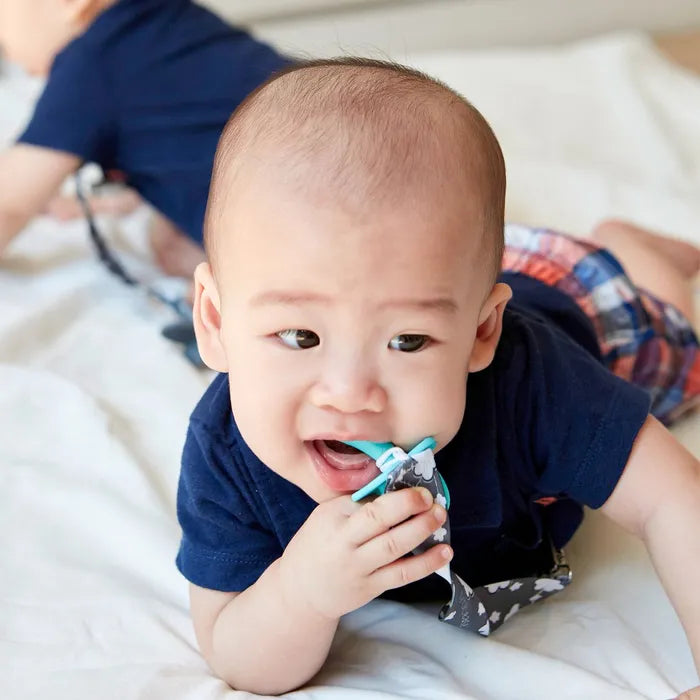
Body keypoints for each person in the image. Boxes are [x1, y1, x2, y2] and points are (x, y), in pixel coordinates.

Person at [174, 58, 700, 695]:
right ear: (214, 322)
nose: (349, 394)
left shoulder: (531, 380)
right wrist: (302, 593)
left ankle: (636, 251)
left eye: (407, 341)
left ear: (480, 334)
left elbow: (675, 496)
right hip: (457, 273)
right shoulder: (225, 452)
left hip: (576, 297)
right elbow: (234, 654)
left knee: (680, 346)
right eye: (299, 336)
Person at [0, 0, 291, 277]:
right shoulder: (176, 22)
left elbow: (9, 205)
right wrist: (111, 204)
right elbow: (187, 144)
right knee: (166, 234)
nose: (6, 52)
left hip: (286, 227)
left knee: (172, 249)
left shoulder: (91, 61)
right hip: (315, 142)